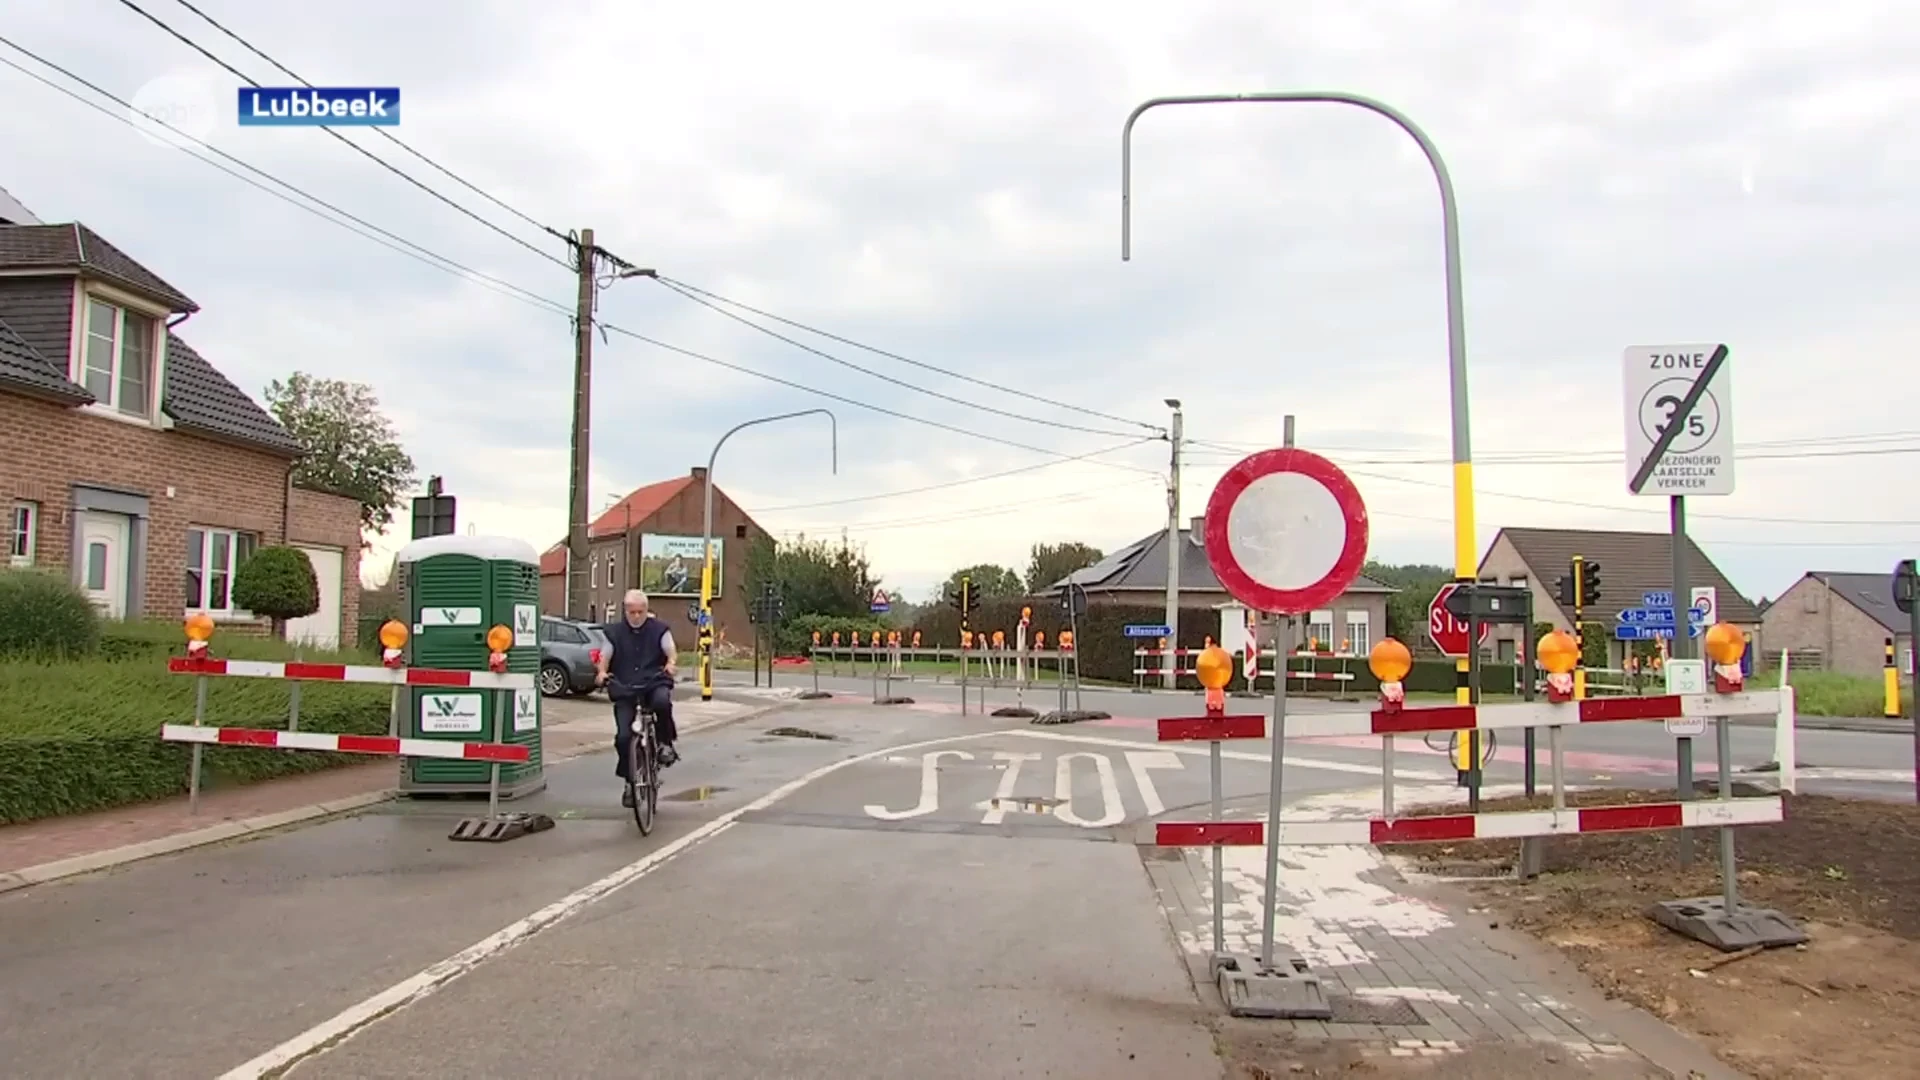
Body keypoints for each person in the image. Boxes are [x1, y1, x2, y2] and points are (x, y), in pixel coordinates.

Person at [594, 588, 680, 807]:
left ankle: (664, 744)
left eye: (640, 612)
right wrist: (602, 672)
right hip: (624, 685)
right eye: (632, 612)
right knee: (623, 737)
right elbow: (606, 654)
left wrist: (670, 664)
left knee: (662, 701)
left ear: (646, 610)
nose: (636, 617)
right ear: (625, 611)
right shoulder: (614, 632)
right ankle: (630, 781)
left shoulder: (659, 630)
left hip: (653, 680)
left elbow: (670, 650)